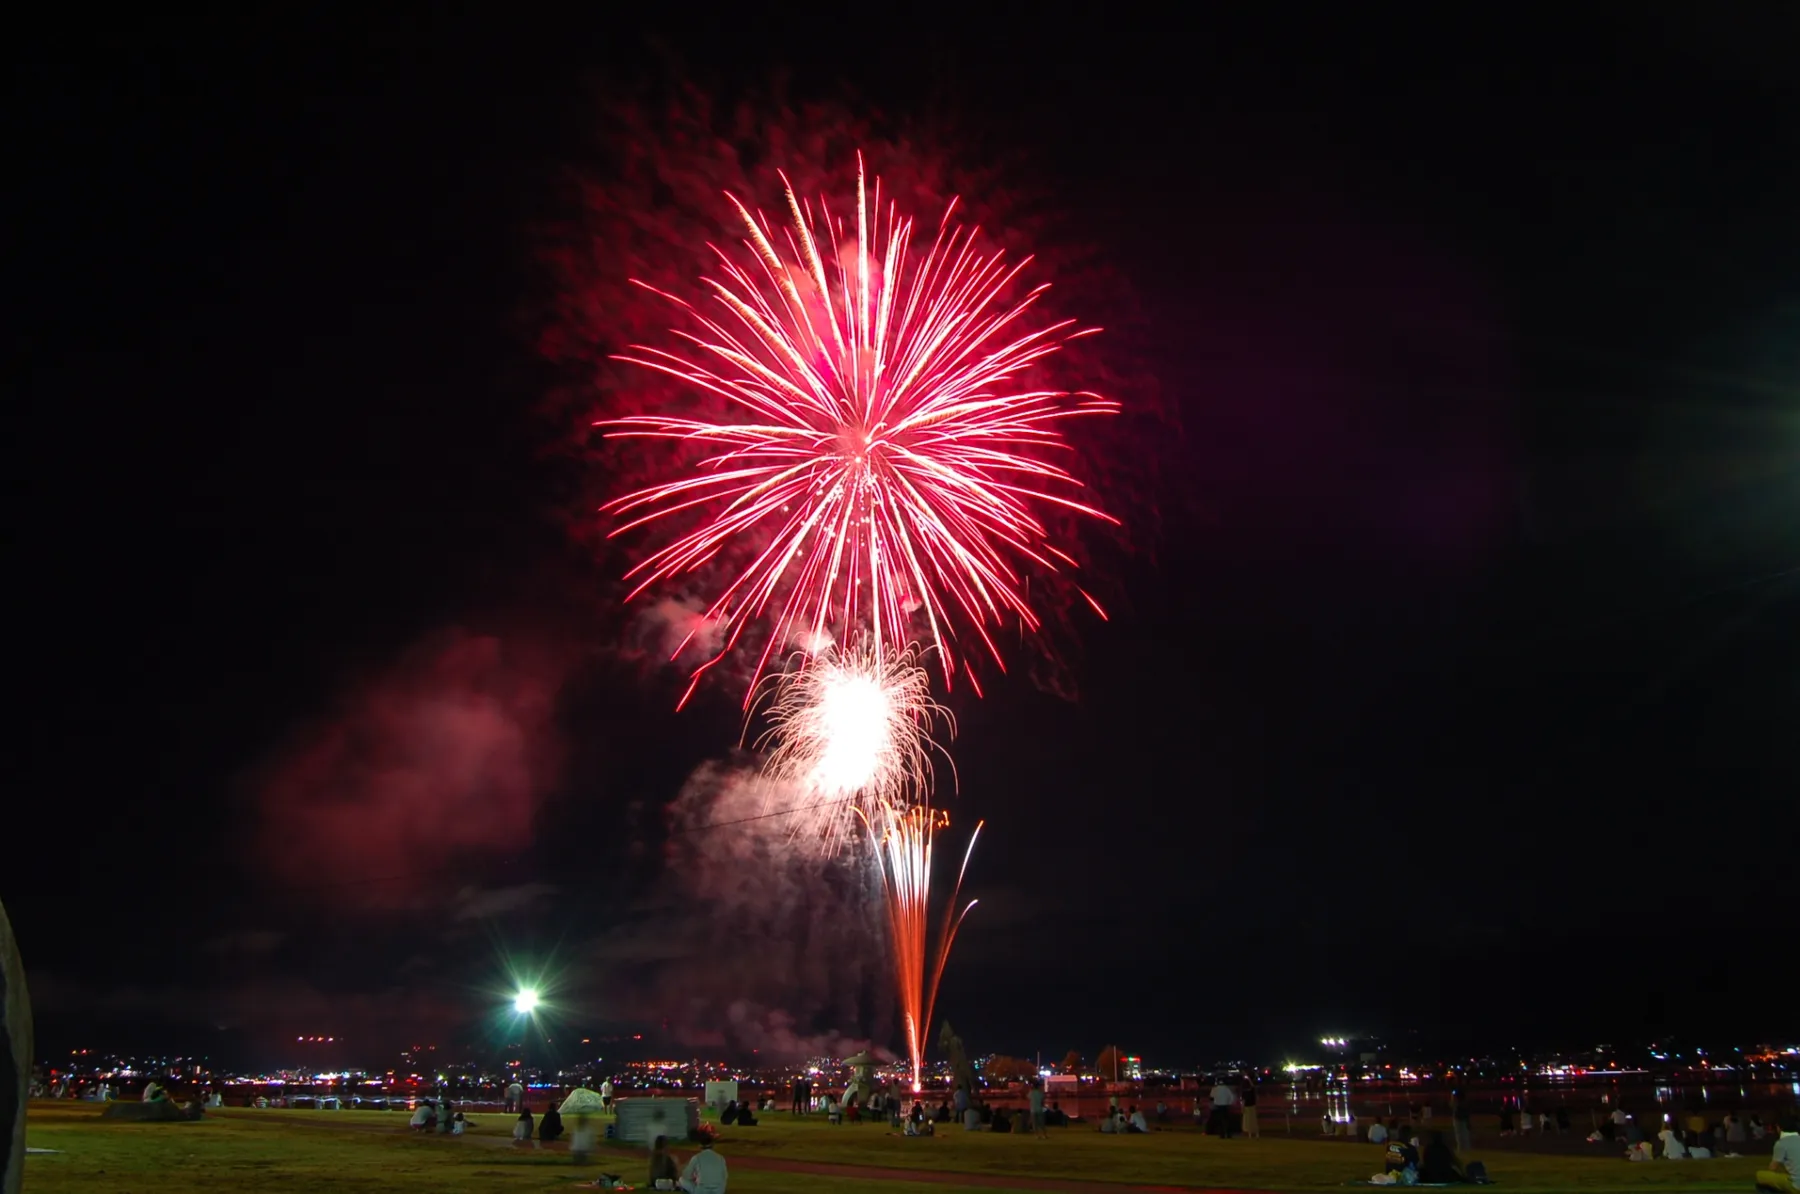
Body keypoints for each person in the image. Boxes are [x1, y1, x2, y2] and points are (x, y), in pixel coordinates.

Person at [1756, 1119, 1800, 1194]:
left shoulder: (1781, 1143)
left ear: (1780, 1128)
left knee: (1760, 1175)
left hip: (1796, 1185)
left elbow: (1773, 1167)